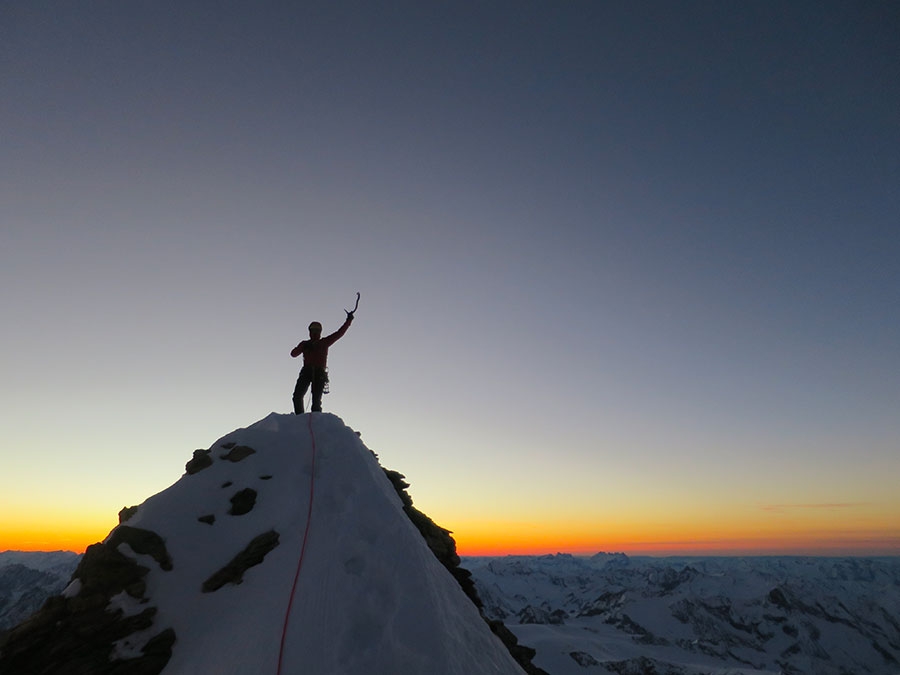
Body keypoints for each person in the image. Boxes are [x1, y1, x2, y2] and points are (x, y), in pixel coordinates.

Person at [290, 311, 354, 414]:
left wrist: (348, 321)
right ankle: (301, 419)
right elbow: (293, 354)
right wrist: (303, 347)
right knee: (298, 396)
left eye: (317, 330)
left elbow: (339, 333)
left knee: (314, 401)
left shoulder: (323, 342)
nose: (315, 332)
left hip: (317, 373)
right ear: (310, 331)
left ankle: (310, 421)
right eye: (313, 330)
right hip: (309, 372)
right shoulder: (310, 343)